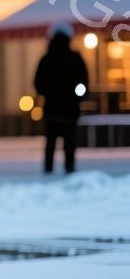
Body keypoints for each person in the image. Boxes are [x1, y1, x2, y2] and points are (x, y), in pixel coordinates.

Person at [33, 21, 89, 175]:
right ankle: (69, 168)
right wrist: (76, 96)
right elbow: (84, 83)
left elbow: (38, 84)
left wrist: (50, 93)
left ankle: (48, 170)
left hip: (51, 110)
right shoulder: (75, 59)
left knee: (50, 143)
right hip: (70, 110)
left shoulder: (46, 59)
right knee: (70, 143)